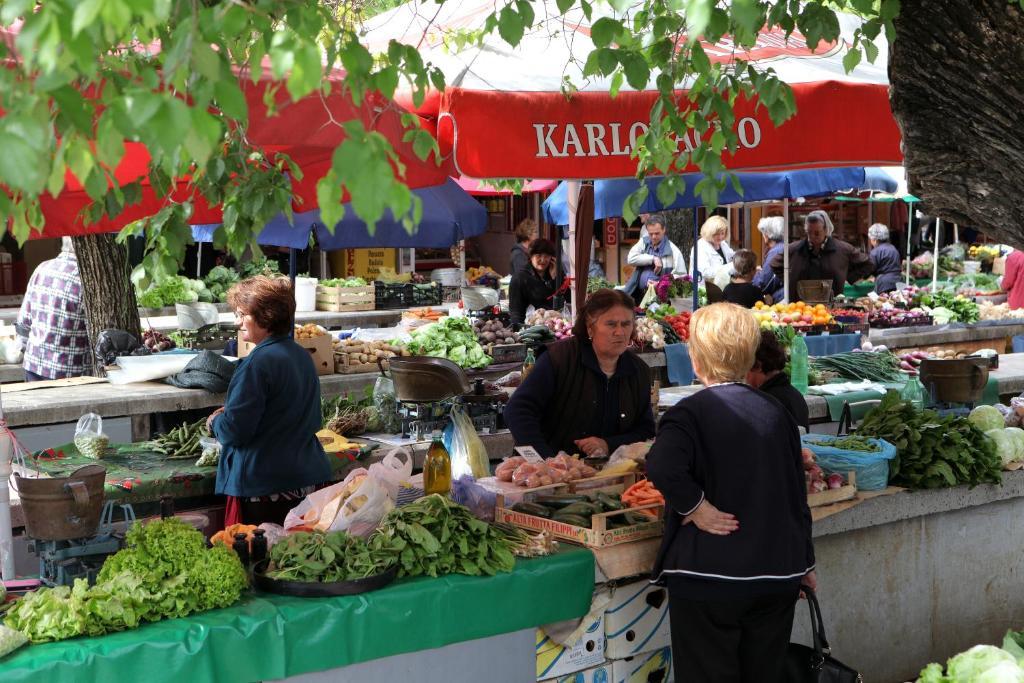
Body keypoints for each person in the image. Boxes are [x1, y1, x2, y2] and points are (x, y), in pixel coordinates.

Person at [646, 303, 816, 683]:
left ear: (695, 358)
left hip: (709, 578)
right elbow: (795, 495)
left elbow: (660, 465)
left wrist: (697, 507)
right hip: (777, 573)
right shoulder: (777, 413)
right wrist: (805, 563)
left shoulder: (688, 413)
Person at [208, 276, 332, 526]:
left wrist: (216, 422)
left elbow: (235, 432)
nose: (237, 322)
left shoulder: (257, 363)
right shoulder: (301, 355)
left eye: (243, 315)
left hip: (264, 486)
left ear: (266, 316)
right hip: (305, 478)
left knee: (261, 560)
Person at [504, 288, 656, 457]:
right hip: (546, 475)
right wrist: (546, 461)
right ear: (590, 328)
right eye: (611, 324)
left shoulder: (638, 370)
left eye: (626, 324)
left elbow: (645, 429)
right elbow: (518, 410)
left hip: (608, 474)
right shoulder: (559, 359)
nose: (620, 332)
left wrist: (608, 444)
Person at [16, 237, 90, 382]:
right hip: (68, 375)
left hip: (33, 365)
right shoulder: (86, 279)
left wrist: (25, 351)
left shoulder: (41, 268)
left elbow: (24, 322)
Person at [770, 210, 873, 301]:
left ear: (826, 230)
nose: (811, 237)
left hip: (831, 306)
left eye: (816, 233)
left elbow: (868, 264)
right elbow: (775, 264)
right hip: (799, 307)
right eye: (809, 233)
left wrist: (848, 275)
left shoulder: (843, 249)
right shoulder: (794, 249)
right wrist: (790, 279)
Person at [747, 330, 810, 432]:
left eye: (745, 367)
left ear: (757, 365)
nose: (743, 375)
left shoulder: (766, 401)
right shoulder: (795, 395)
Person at [624, 214, 688, 302]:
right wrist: (653, 259)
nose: (653, 237)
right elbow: (630, 259)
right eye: (651, 234)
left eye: (657, 233)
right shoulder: (644, 242)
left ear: (664, 230)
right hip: (639, 296)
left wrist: (659, 284)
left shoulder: (673, 250)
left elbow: (682, 277)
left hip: (661, 300)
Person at [508, 239, 559, 326]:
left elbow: (564, 301)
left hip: (554, 325)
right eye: (538, 255)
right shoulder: (520, 277)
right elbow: (515, 312)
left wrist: (554, 279)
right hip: (529, 328)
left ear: (552, 258)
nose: (543, 260)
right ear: (530, 256)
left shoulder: (556, 274)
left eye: (546, 256)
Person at [690, 215, 735, 290]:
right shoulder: (700, 247)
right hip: (705, 291)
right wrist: (729, 267)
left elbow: (732, 256)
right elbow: (705, 272)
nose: (720, 237)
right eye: (716, 234)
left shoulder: (723, 244)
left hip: (721, 289)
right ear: (710, 232)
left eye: (722, 233)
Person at [751, 215, 786, 302]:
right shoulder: (783, 246)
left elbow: (762, 283)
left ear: (767, 234)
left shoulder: (776, 252)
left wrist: (755, 273)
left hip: (780, 299)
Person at [867, 223, 902, 294]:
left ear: (874, 239)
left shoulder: (875, 252)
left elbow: (870, 269)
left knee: (884, 303)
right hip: (898, 281)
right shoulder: (893, 248)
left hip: (884, 284)